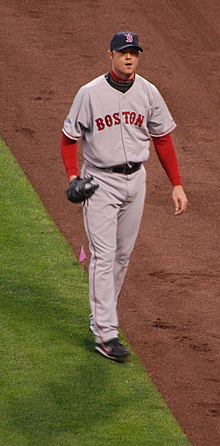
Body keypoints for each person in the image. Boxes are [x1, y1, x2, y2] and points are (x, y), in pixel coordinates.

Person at [60, 31, 188, 362]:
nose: (129, 57)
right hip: (100, 181)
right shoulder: (90, 93)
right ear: (111, 55)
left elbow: (162, 138)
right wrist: (73, 176)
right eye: (123, 52)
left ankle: (101, 319)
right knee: (104, 256)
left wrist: (176, 183)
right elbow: (68, 138)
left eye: (134, 52)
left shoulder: (148, 92)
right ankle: (106, 334)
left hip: (136, 182)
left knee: (122, 256)